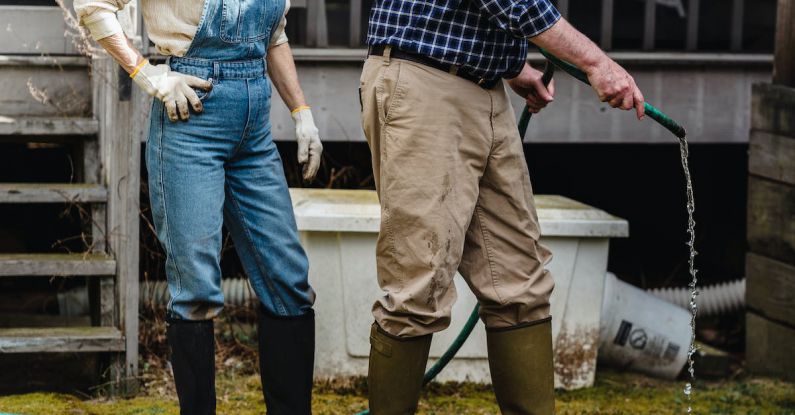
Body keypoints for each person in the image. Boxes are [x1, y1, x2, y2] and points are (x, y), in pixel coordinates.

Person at [359, 0, 645, 413]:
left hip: (483, 88)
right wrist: (597, 63)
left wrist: (511, 66)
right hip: (425, 83)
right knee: (416, 289)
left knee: (520, 284)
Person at [74, 1, 322, 414]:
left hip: (255, 127)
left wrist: (301, 111)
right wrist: (145, 71)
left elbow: (274, 35)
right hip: (189, 114)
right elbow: (93, 6)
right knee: (196, 290)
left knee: (289, 280)